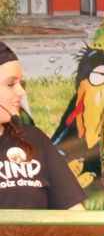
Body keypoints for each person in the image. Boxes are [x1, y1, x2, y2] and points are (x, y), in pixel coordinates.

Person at [0, 41, 85, 210]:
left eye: (21, 83)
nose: (21, 92)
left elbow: (75, 213)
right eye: (11, 84)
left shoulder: (34, 139)